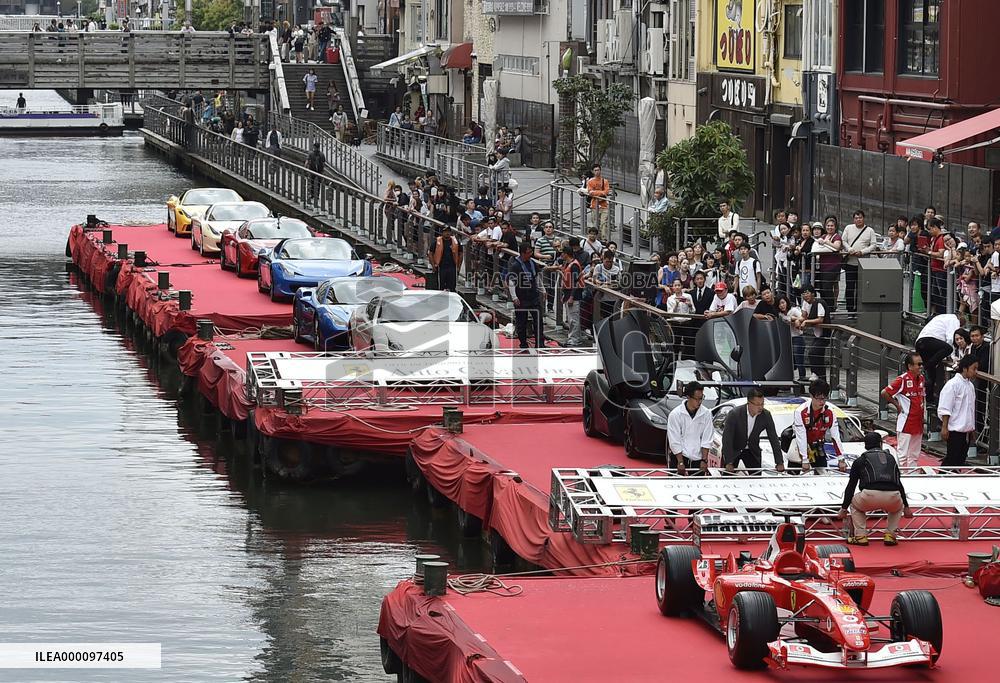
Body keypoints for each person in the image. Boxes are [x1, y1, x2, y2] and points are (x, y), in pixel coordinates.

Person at [837, 432, 911, 546]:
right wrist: (906, 506)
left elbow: (851, 486)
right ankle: (890, 535)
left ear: (865, 445)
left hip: (869, 496)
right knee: (897, 507)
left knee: (854, 504)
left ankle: (860, 536)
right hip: (893, 496)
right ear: (881, 444)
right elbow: (899, 483)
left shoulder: (860, 461)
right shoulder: (891, 458)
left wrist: (843, 508)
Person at [721, 388, 784, 473]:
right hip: (734, 449)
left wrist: (779, 462)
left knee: (756, 477)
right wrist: (729, 461)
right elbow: (727, 439)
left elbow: (774, 438)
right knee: (728, 476)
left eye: (762, 404)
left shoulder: (766, 415)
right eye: (757, 404)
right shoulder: (734, 414)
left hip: (752, 450)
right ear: (749, 403)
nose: (760, 407)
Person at [881, 352, 926, 469]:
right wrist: (897, 405)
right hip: (906, 422)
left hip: (918, 422)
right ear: (910, 366)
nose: (921, 367)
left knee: (914, 454)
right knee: (902, 454)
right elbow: (884, 393)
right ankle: (899, 477)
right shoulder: (902, 380)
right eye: (918, 364)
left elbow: (922, 397)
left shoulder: (921, 378)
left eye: (921, 364)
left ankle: (912, 476)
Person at [792, 379, 843, 473]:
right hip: (799, 447)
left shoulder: (830, 412)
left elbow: (835, 436)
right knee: (792, 476)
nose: (822, 401)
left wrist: (841, 458)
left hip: (817, 446)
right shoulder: (801, 411)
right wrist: (805, 459)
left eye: (824, 398)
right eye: (819, 398)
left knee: (823, 475)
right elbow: (801, 436)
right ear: (811, 396)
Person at [938, 355, 978, 466]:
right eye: (974, 369)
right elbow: (946, 407)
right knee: (952, 458)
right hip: (955, 430)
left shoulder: (970, 386)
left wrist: (972, 428)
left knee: (960, 460)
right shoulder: (952, 384)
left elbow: (970, 409)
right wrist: (944, 427)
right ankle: (942, 480)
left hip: (966, 430)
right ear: (965, 368)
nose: (976, 372)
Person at [666, 381, 714, 475]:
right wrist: (680, 462)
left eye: (701, 398)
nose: (699, 402)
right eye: (697, 399)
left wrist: (704, 460)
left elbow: (707, 438)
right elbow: (674, 440)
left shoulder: (706, 414)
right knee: (676, 486)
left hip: (698, 459)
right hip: (679, 457)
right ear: (688, 397)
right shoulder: (675, 414)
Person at [914, 312, 962, 405]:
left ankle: (930, 401)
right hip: (929, 341)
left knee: (931, 376)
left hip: (921, 342)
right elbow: (951, 338)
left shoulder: (941, 317)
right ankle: (925, 367)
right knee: (947, 348)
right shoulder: (954, 319)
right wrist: (952, 356)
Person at [507, 241, 545, 348]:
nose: (530, 254)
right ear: (523, 253)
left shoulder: (532, 263)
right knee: (521, 322)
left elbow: (537, 277)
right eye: (528, 252)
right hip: (521, 297)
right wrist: (514, 297)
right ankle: (523, 342)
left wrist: (543, 290)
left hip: (533, 296)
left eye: (531, 252)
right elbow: (511, 282)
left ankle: (540, 343)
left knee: (538, 320)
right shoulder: (515, 266)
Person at [841, 209, 878, 312]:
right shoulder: (848, 228)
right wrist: (849, 249)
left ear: (864, 218)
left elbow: (874, 245)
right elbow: (843, 241)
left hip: (863, 264)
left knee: (861, 287)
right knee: (850, 287)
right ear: (853, 219)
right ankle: (850, 310)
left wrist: (862, 252)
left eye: (860, 217)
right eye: (856, 218)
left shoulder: (870, 230)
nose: (858, 220)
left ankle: (859, 309)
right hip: (850, 262)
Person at [800, 286, 830, 382]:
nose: (805, 295)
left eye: (807, 293)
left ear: (813, 293)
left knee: (813, 352)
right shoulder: (805, 303)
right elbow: (803, 316)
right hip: (816, 334)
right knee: (817, 356)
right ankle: (821, 379)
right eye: (803, 293)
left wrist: (806, 322)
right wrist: (795, 320)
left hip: (824, 334)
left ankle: (816, 374)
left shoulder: (819, 303)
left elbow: (820, 319)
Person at [558, 245, 586, 346]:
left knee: (574, 319)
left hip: (574, 296)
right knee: (571, 319)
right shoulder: (568, 264)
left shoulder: (574, 265)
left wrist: (571, 297)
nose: (561, 255)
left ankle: (575, 339)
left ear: (566, 254)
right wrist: (565, 295)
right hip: (568, 294)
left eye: (562, 253)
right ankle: (572, 338)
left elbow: (575, 283)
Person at [585, 165, 612, 240]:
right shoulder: (590, 181)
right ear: (593, 171)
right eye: (595, 170)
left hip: (604, 205)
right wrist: (601, 192)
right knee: (595, 223)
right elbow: (590, 192)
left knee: (604, 223)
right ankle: (597, 238)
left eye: (598, 170)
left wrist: (596, 192)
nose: (597, 172)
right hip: (594, 205)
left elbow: (606, 192)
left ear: (600, 171)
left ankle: (604, 239)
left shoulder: (605, 181)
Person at [431, 224, 460, 292]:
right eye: (445, 231)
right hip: (441, 266)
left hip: (452, 266)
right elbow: (430, 253)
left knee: (452, 286)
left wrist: (459, 265)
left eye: (449, 231)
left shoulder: (455, 242)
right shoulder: (436, 242)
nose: (447, 233)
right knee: (440, 286)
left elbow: (461, 253)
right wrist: (433, 265)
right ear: (442, 232)